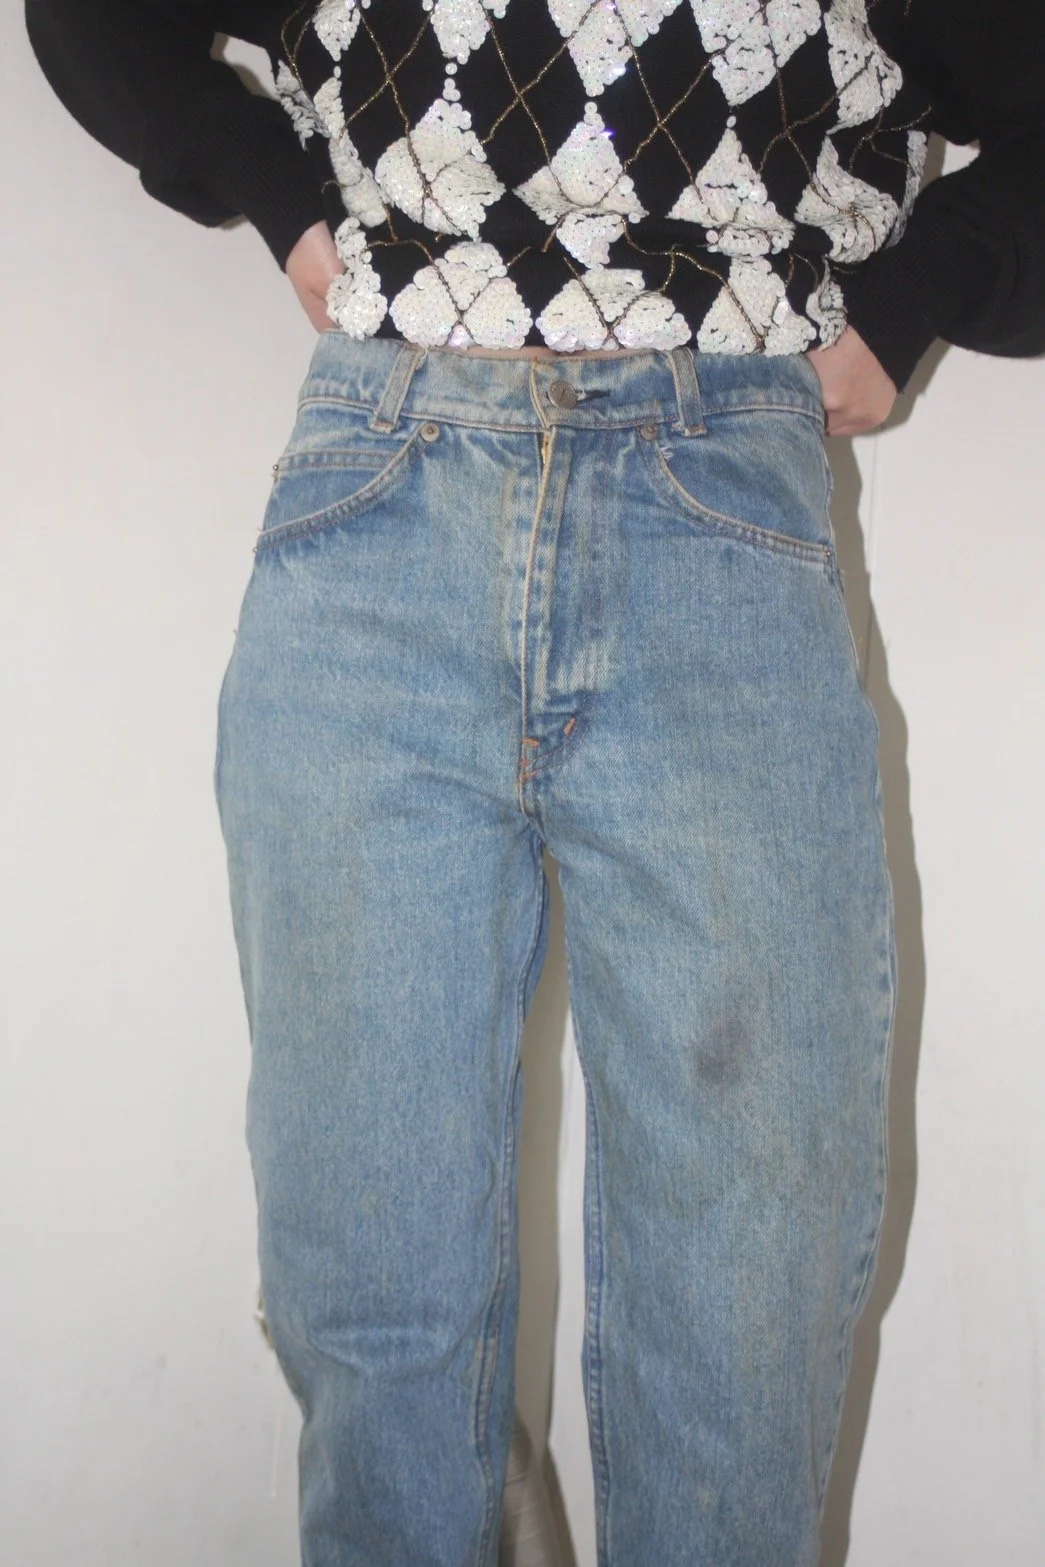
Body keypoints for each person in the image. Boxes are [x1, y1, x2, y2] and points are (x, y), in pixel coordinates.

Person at [24, 3, 1045, 1564]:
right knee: (371, 1280)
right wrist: (282, 200)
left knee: (750, 1284)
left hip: (718, 500)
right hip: (384, 482)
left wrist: (918, 292)